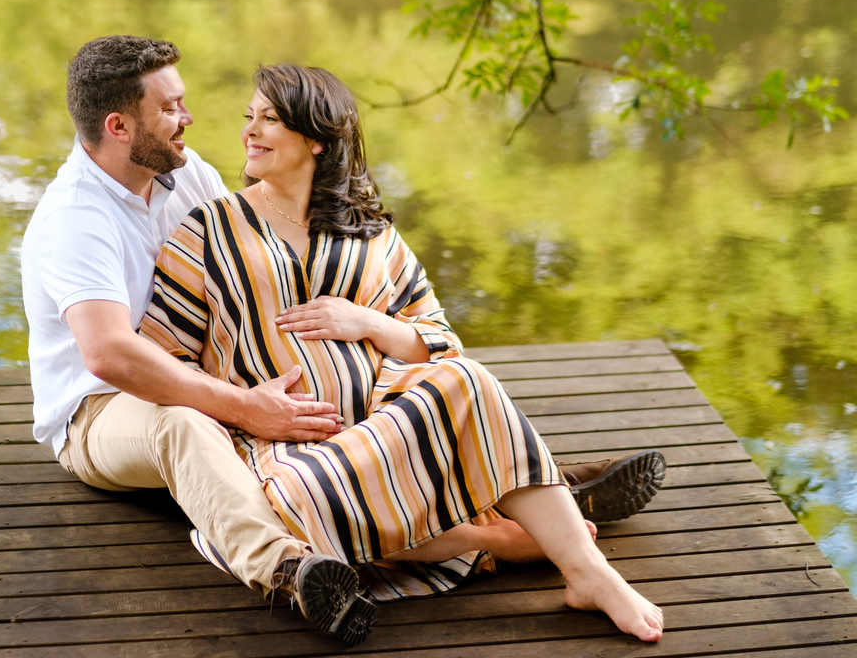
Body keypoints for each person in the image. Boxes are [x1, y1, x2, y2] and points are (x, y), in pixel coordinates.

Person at [139, 63, 664, 642]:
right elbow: (163, 358)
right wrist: (243, 404)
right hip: (286, 446)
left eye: (270, 119)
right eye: (250, 117)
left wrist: (367, 321)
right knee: (292, 503)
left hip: (388, 420)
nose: (250, 130)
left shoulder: (370, 232)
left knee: (466, 379)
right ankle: (496, 537)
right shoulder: (208, 228)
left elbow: (438, 340)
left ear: (316, 139)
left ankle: (589, 573)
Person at [21, 36, 379, 644]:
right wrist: (244, 406)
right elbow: (109, 355)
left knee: (338, 387)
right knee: (183, 424)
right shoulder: (74, 219)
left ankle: (487, 504)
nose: (187, 117)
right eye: (169, 108)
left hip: (202, 377)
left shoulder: (188, 176)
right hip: (101, 411)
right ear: (119, 126)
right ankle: (292, 571)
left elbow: (249, 272)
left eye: (182, 102)